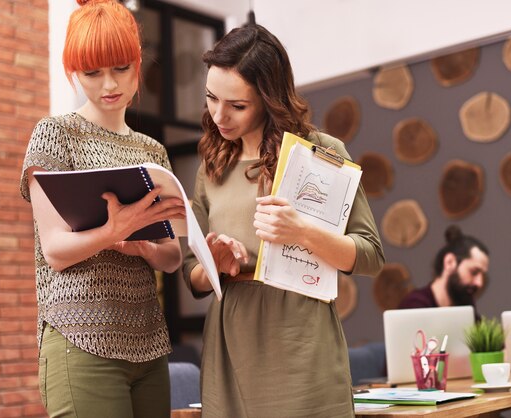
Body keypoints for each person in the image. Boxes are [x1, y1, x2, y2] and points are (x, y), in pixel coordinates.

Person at [182, 23, 384, 417]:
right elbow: (193, 276)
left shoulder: (320, 152)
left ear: (268, 99)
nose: (219, 115)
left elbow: (370, 255)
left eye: (237, 105)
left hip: (300, 341)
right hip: (231, 343)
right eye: (211, 98)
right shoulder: (212, 165)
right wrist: (216, 265)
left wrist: (302, 232)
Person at [19, 1, 185, 417]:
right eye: (92, 73)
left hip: (148, 343)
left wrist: (144, 247)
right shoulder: (55, 135)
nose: (108, 84)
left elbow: (172, 256)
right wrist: (115, 230)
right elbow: (55, 251)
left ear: (138, 65)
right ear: (74, 71)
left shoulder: (153, 151)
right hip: (80, 339)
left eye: (121, 69)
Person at [398, 225, 489, 311]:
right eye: (474, 272)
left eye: (482, 275)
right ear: (450, 262)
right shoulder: (414, 306)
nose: (479, 283)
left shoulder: (466, 305)